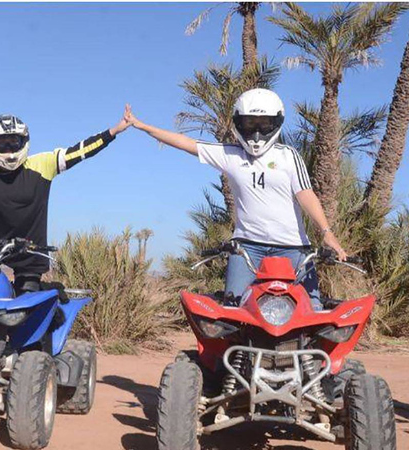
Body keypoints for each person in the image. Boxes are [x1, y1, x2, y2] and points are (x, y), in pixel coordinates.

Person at [124, 89, 347, 309]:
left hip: (293, 247)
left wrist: (327, 233)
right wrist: (142, 126)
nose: (257, 134)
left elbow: (305, 194)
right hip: (246, 248)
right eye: (250, 124)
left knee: (312, 310)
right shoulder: (229, 154)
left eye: (264, 125)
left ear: (276, 123)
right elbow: (186, 143)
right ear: (238, 123)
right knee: (234, 309)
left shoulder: (288, 156)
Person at [0, 109, 131, 294]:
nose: (9, 149)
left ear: (24, 141)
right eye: (1, 143)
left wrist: (113, 132)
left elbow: (79, 151)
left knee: (27, 311)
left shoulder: (43, 164)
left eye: (14, 142)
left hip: (29, 250)